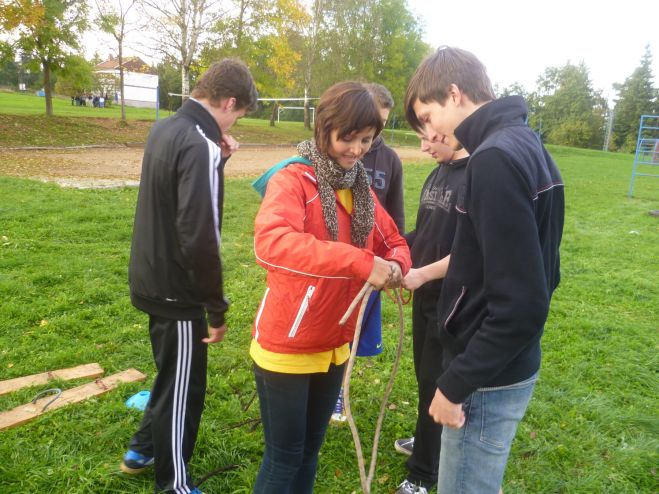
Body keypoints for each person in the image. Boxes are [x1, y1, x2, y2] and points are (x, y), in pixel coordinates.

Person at [405, 46, 564, 494]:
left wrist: (455, 382)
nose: (429, 129)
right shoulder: (526, 143)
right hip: (504, 364)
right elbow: (537, 270)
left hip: (487, 377)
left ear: (454, 94)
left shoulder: (493, 158)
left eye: (428, 114)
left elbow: (522, 303)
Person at [250, 81, 412, 494]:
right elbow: (273, 243)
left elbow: (394, 241)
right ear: (325, 127)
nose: (356, 149)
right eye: (348, 137)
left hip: (336, 344)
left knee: (309, 453)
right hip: (288, 344)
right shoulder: (293, 181)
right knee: (284, 457)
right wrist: (360, 261)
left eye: (366, 139)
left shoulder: (359, 188)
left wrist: (394, 265)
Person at [121, 58, 258, 494]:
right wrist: (215, 307)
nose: (234, 123)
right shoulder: (198, 140)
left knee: (171, 374)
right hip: (177, 291)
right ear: (229, 102)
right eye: (237, 115)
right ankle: (175, 485)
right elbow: (199, 234)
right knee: (184, 388)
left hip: (150, 277)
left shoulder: (166, 127)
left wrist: (217, 162)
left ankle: (142, 448)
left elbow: (181, 193)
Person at [392, 130, 469, 494]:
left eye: (429, 136)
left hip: (451, 301)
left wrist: (421, 273)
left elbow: (473, 252)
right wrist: (391, 251)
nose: (423, 146)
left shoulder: (476, 176)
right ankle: (427, 440)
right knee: (424, 377)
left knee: (436, 381)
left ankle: (424, 473)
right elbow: (424, 233)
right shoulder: (438, 172)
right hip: (423, 294)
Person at [330, 82, 405, 423]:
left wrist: (395, 260)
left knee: (354, 332)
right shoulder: (328, 159)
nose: (363, 145)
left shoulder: (390, 160)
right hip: (334, 263)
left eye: (376, 129)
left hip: (369, 267)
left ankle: (338, 394)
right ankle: (324, 389)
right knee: (331, 327)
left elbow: (394, 218)